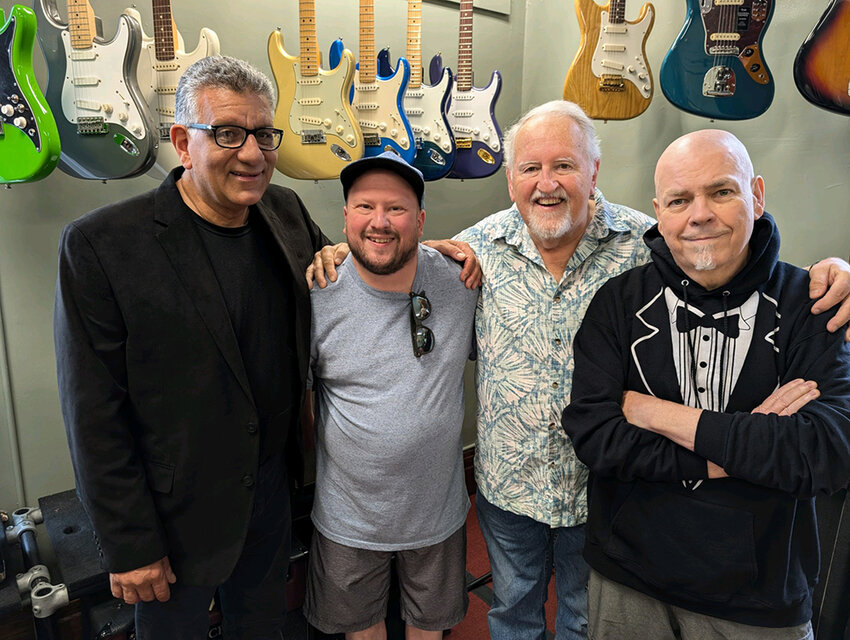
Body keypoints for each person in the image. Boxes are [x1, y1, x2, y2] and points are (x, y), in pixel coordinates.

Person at [308, 100, 850, 640]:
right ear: (510, 178)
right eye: (530, 168)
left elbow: (729, 257)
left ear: (593, 172)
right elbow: (389, 251)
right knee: (511, 612)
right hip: (508, 486)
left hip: (605, 491)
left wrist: (830, 273)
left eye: (564, 165)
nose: (547, 183)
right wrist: (336, 251)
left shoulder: (646, 244)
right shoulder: (471, 252)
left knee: (583, 621)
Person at [53, 55, 329, 640]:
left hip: (271, 496)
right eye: (227, 133)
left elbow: (343, 278)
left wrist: (437, 253)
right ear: (182, 141)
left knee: (261, 629)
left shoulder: (285, 211)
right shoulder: (102, 245)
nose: (252, 154)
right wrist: (129, 546)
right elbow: (93, 413)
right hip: (173, 521)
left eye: (263, 134)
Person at [561, 129, 850, 639]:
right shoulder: (618, 303)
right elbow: (595, 436)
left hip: (760, 596)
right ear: (658, 211)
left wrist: (656, 414)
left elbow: (825, 452)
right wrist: (743, 446)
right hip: (628, 576)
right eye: (679, 200)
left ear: (756, 196)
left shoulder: (813, 303)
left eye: (721, 191)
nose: (699, 215)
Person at [302, 151, 478, 640]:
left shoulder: (461, 279)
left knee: (430, 629)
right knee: (361, 631)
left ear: (420, 220)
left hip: (436, 513)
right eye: (364, 207)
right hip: (348, 518)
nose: (379, 222)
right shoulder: (317, 290)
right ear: (344, 217)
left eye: (396, 209)